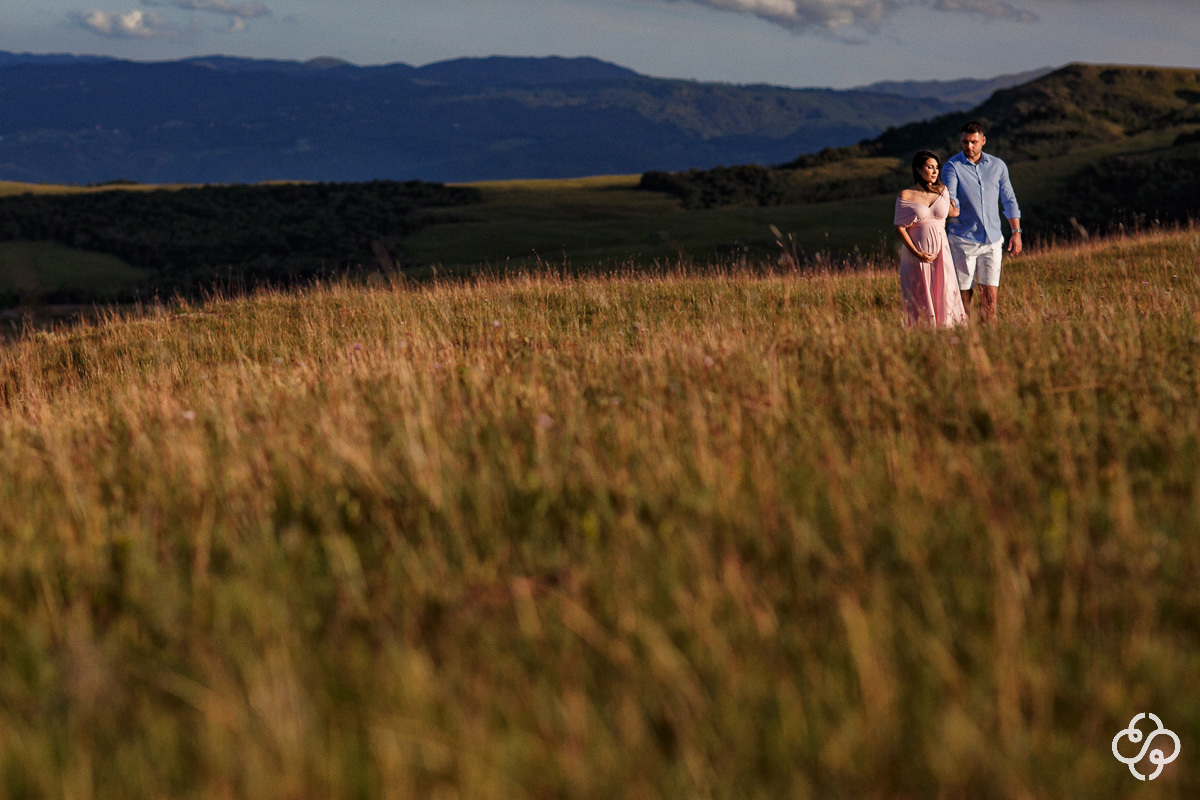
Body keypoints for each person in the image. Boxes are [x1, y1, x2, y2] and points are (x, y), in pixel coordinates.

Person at [941, 121, 1022, 321]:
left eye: (974, 142)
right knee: (963, 296)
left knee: (990, 297)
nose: (969, 146)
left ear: (983, 141)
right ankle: (966, 333)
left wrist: (1016, 233)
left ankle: (989, 336)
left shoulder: (998, 166)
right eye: (965, 142)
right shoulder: (952, 167)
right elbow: (950, 195)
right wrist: (950, 206)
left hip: (993, 240)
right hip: (963, 240)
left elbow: (1009, 200)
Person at [894, 150, 968, 328]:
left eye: (937, 168)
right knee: (920, 293)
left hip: (942, 252)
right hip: (916, 254)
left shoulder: (943, 191)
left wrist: (954, 209)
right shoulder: (906, 195)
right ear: (919, 170)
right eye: (930, 167)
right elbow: (899, 227)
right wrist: (917, 253)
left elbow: (949, 212)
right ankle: (923, 332)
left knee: (945, 289)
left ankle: (948, 332)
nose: (935, 171)